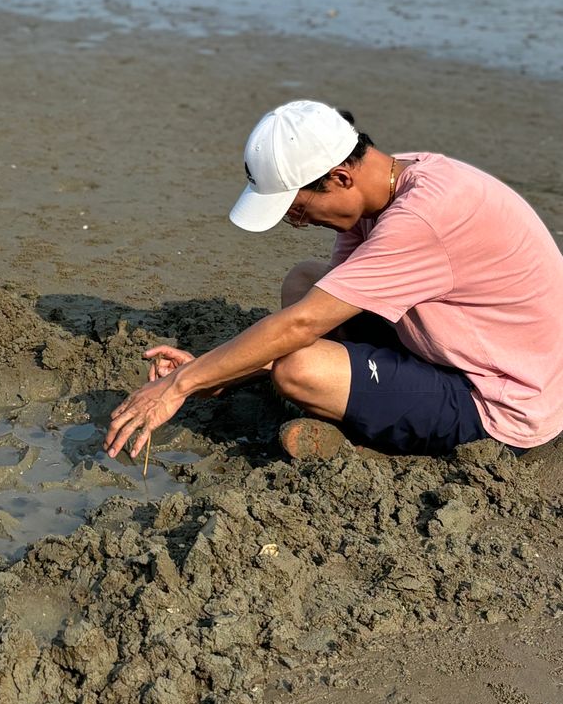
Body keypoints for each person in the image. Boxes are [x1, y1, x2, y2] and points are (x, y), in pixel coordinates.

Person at [105, 100, 563, 462]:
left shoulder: (423, 218)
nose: (297, 224)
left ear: (341, 177)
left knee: (299, 370)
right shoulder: (391, 182)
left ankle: (358, 447)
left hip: (500, 400)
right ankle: (370, 408)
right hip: (454, 347)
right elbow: (317, 313)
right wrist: (216, 373)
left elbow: (301, 328)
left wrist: (179, 385)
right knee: (305, 280)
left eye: (298, 210)